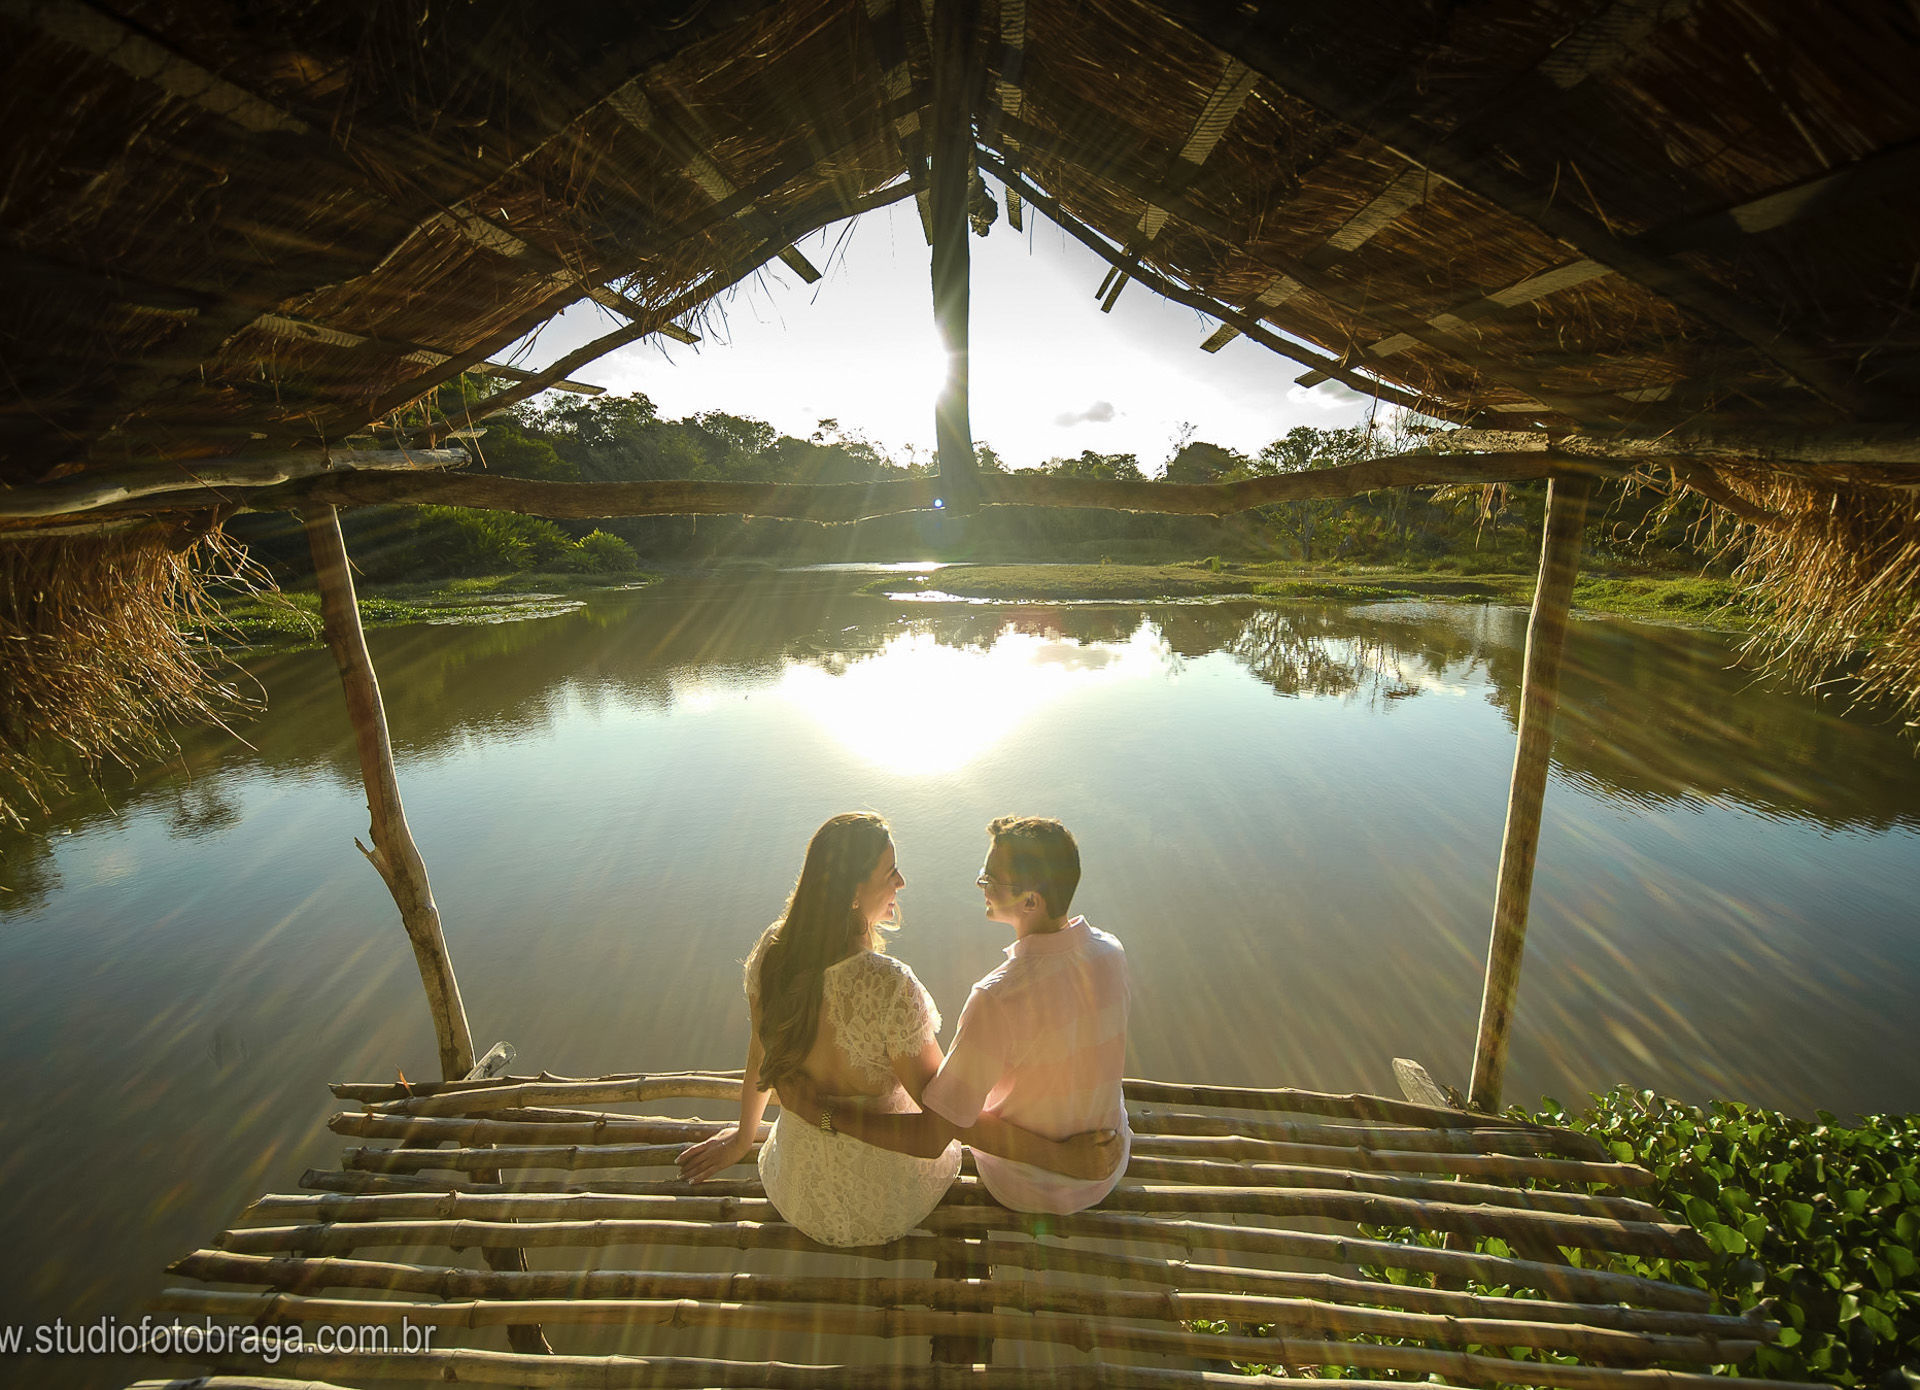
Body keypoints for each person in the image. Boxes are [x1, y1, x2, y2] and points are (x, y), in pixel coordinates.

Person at [675, 812, 1114, 1247]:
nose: (901, 882)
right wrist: (1064, 1158)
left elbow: (760, 1051)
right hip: (888, 1193)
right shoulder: (888, 986)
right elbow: (937, 1129)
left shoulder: (774, 952)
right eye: (890, 872)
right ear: (852, 894)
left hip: (795, 1185)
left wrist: (744, 1134)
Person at [781, 816, 1131, 1215]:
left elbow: (943, 1127)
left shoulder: (997, 998)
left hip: (1030, 1187)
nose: (980, 884)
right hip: (1108, 1160)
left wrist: (820, 1114)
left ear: (1030, 901)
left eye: (990, 879)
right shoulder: (1111, 951)